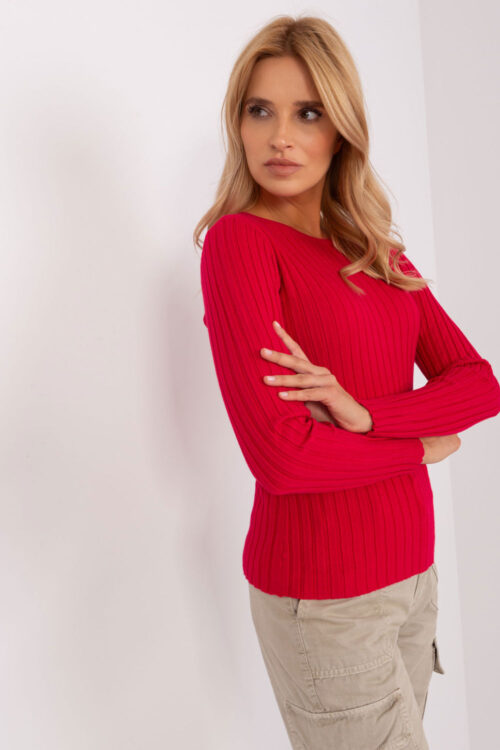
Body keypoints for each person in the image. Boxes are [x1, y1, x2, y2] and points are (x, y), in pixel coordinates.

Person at [195, 14, 500, 750]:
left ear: (342, 131)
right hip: (327, 597)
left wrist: (367, 416)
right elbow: (283, 456)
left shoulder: (373, 250)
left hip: (413, 578)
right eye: (260, 110)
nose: (280, 137)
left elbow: (478, 384)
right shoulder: (241, 243)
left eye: (308, 113)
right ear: (238, 123)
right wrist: (417, 448)